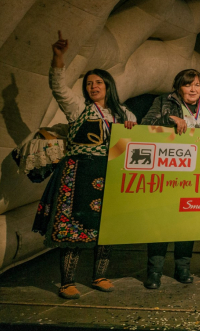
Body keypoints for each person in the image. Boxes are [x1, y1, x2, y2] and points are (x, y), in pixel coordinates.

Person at [33, 32, 137, 299]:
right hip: (79, 173)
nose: (93, 87)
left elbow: (135, 146)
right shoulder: (78, 108)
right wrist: (58, 58)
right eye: (89, 83)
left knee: (106, 227)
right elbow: (59, 88)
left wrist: (132, 129)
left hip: (110, 173)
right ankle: (67, 282)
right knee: (74, 225)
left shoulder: (125, 113)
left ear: (108, 86)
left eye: (98, 82)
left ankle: (99, 276)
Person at [141, 69, 200, 290]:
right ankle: (154, 271)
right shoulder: (163, 102)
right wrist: (169, 119)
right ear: (178, 87)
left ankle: (183, 268)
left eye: (197, 85)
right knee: (161, 222)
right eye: (188, 85)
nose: (193, 89)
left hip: (197, 175)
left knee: (188, 223)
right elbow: (145, 125)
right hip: (169, 172)